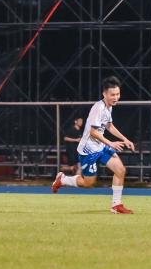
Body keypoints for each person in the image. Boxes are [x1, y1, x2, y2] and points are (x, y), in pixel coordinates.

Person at [50, 76, 136, 214]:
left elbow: (109, 125)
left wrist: (125, 139)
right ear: (104, 94)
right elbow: (93, 132)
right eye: (113, 95)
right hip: (88, 150)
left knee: (120, 170)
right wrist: (111, 143)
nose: (116, 97)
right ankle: (63, 180)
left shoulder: (108, 107)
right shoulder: (98, 108)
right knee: (88, 183)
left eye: (118, 94)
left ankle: (116, 205)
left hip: (100, 146)